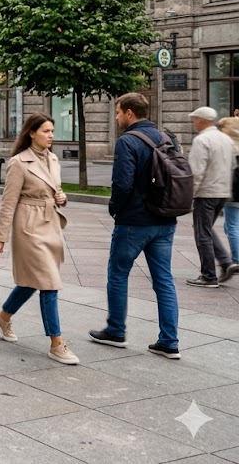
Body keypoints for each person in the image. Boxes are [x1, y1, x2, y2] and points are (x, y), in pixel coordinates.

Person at [89, 93, 182, 359]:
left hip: (134, 221)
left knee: (118, 273)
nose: (117, 117)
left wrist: (114, 207)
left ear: (130, 113)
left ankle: (116, 330)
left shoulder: (127, 141)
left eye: (118, 112)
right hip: (165, 219)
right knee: (164, 280)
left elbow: (123, 183)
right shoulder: (166, 138)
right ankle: (169, 341)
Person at [0, 112, 78, 365]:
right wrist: (0, 237)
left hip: (50, 224)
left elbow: (55, 188)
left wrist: (62, 197)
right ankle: (56, 343)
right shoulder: (19, 162)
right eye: (46, 131)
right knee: (49, 283)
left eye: (52, 131)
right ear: (32, 133)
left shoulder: (53, 158)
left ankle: (3, 316)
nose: (51, 136)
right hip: (28, 226)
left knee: (31, 282)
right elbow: (8, 202)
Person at [186, 106, 237, 287]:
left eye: (195, 119)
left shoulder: (202, 140)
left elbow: (196, 171)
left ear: (201, 120)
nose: (194, 123)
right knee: (205, 228)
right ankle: (226, 262)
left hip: (206, 192)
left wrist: (190, 195)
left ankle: (208, 276)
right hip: (222, 192)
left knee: (202, 234)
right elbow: (232, 165)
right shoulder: (226, 139)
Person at [219, 116, 239, 272]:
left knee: (232, 226)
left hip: (233, 192)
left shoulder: (231, 148)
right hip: (233, 192)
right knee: (229, 226)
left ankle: (236, 260)